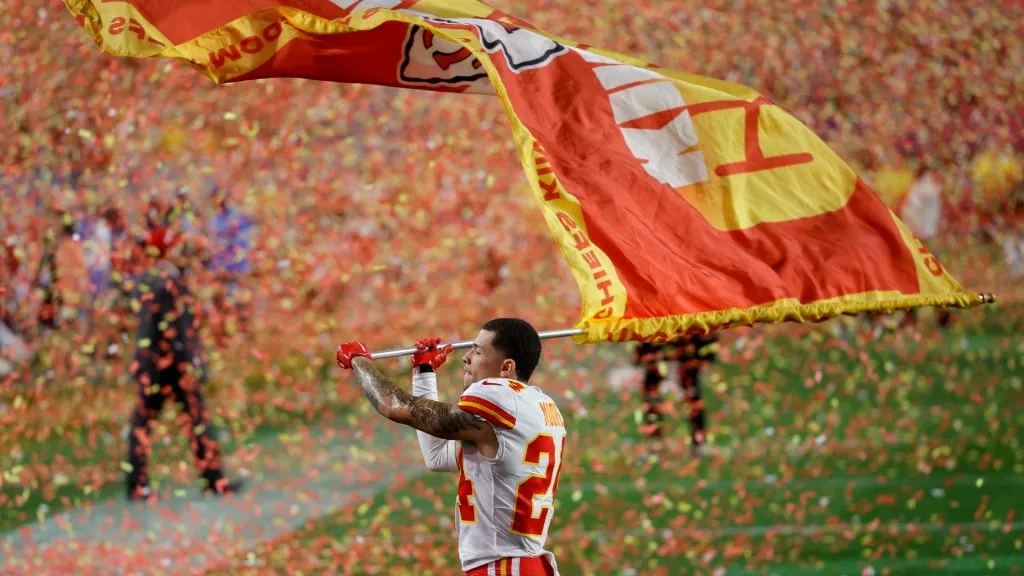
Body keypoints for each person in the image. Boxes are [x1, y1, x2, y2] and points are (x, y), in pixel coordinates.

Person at [336, 318, 565, 575]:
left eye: (477, 351)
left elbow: (394, 406)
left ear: (506, 368)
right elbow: (436, 456)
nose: (466, 357)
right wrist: (424, 374)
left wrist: (360, 361)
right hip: (524, 565)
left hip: (503, 568)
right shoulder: (538, 405)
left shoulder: (499, 396)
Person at [124, 226, 243, 500]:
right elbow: (176, 330)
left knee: (145, 424)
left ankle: (136, 484)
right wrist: (192, 364)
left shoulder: (154, 278)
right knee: (195, 422)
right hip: (171, 367)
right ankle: (214, 481)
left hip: (154, 368)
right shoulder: (168, 281)